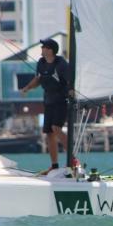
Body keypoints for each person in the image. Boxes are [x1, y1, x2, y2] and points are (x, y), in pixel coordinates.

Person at [21, 38, 71, 174]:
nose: (41, 49)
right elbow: (38, 79)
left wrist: (71, 93)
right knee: (49, 132)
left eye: (43, 47)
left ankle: (72, 159)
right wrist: (27, 88)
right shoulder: (41, 63)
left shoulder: (61, 64)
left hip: (61, 100)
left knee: (56, 127)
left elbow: (70, 81)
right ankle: (54, 165)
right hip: (48, 100)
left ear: (50, 50)